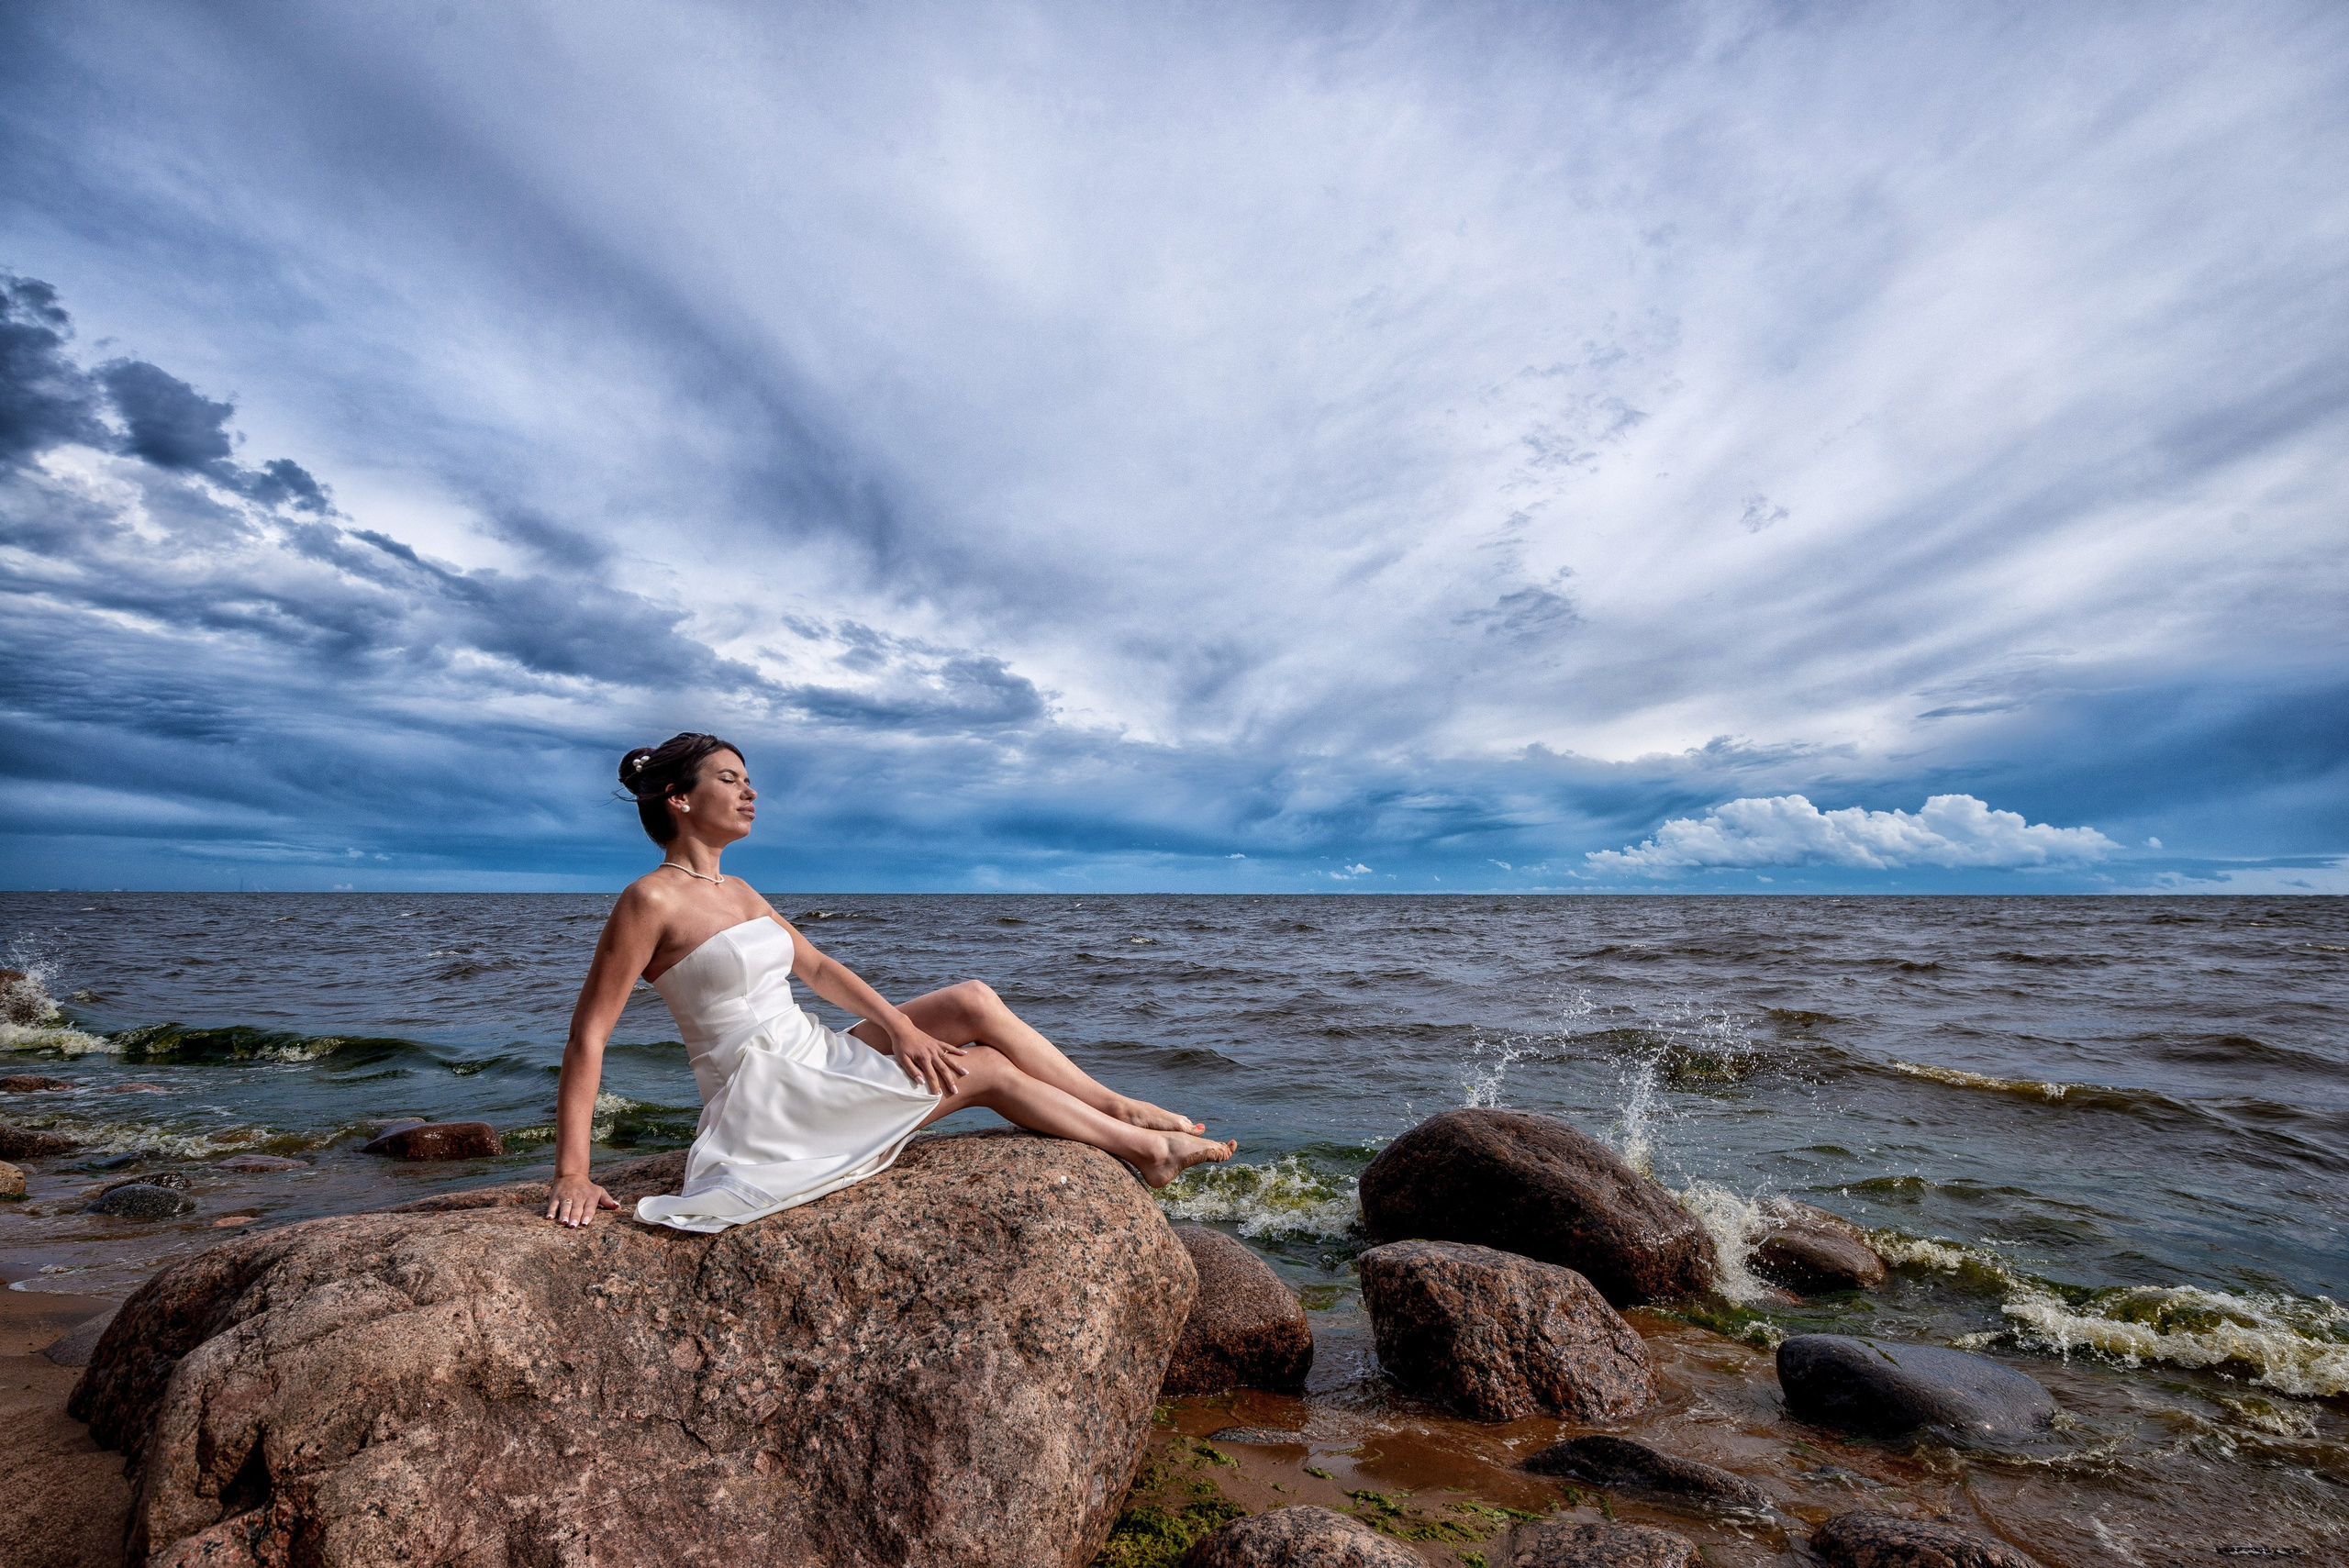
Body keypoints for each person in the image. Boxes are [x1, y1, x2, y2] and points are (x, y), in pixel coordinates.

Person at [545, 732, 1236, 1229]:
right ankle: (1150, 1150)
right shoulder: (650, 901)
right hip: (765, 1098)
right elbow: (589, 1037)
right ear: (679, 799)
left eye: (747, 778)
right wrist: (572, 1172)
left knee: (971, 999)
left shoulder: (742, 890)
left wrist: (902, 1028)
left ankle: (1122, 1106)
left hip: (811, 1052)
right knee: (984, 1070)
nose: (750, 790)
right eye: (729, 778)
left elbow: (817, 969)